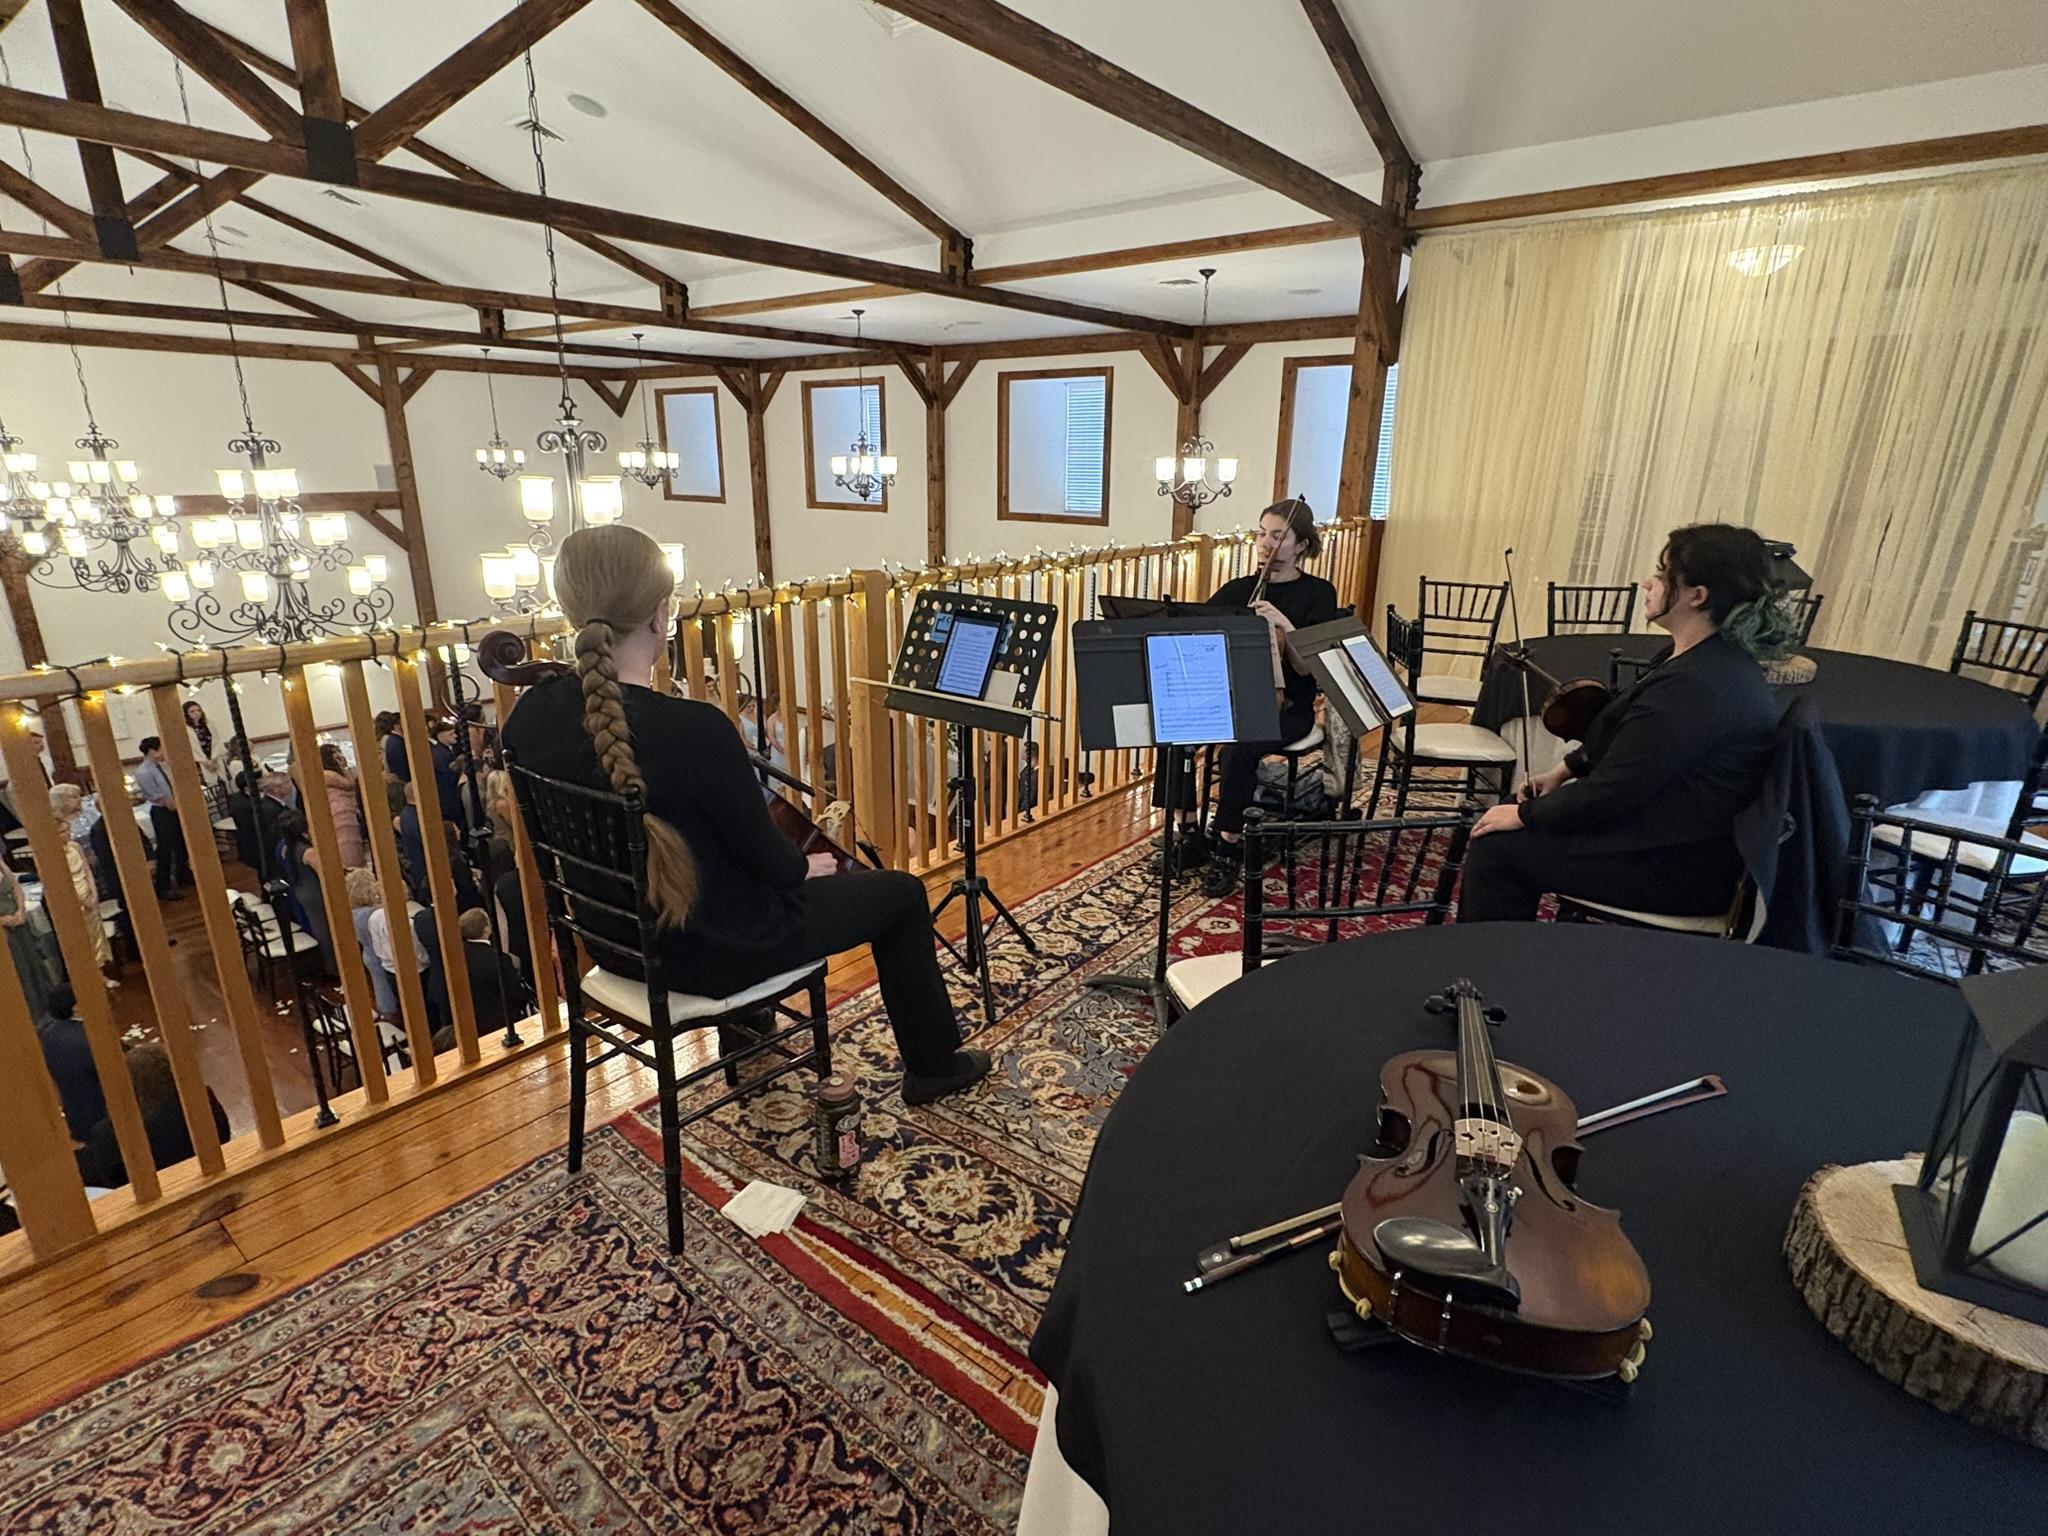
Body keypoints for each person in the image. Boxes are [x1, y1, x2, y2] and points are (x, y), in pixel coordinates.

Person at [501, 524, 988, 1105]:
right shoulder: (694, 730)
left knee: (720, 874)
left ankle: (749, 1038)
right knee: (901, 895)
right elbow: (768, 859)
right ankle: (933, 1067)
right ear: (661, 615)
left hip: (614, 944)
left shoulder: (528, 718)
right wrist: (801, 869)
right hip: (714, 954)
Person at [1458, 524, 1792, 923]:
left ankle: (1489, 962)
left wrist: (1527, 816)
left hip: (1676, 868)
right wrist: (1563, 772)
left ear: (1697, 595)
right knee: (1516, 815)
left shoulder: (1697, 687)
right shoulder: (1704, 660)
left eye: (1662, 574)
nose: (1648, 583)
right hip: (1664, 835)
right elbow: (1630, 740)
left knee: (1497, 849)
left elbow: (1613, 790)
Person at [1156, 498, 1344, 896]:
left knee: (1238, 749)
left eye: (1278, 536)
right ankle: (1189, 833)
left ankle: (1228, 846)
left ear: (1301, 545)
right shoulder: (1239, 590)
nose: (1265, 543)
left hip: (1287, 708)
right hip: (1229, 699)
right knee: (1172, 732)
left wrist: (1284, 624)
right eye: (1261, 533)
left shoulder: (1318, 593)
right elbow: (1194, 635)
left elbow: (1308, 669)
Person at [81, 1041, 231, 1190]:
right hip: (209, 1174)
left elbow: (112, 1178)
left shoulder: (110, 1132)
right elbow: (223, 1134)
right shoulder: (200, 1098)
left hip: (151, 1191)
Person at [48, 784, 112, 974]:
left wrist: (92, 892)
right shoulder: (55, 823)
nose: (80, 800)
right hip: (74, 890)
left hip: (94, 870)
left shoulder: (88, 815)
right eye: (74, 797)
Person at [36, 982, 104, 1148]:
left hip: (76, 1115)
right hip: (103, 1115)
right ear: (76, 1007)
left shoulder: (48, 1036)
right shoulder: (90, 1037)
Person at [132, 736, 189, 898]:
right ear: (152, 751)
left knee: (181, 844)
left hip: (174, 808)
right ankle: (163, 886)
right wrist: (175, 806)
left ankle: (183, 874)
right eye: (162, 748)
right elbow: (159, 797)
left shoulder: (162, 765)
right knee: (165, 849)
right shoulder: (143, 772)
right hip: (162, 812)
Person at [0, 860, 55, 1023]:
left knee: (32, 963)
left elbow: (15, 886)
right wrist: (2, 921)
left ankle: (47, 1010)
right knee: (18, 971)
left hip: (19, 923)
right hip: (4, 931)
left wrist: (21, 910)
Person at [318, 743, 366, 867]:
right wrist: (344, 767)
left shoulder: (341, 772)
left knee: (354, 843)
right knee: (346, 843)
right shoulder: (326, 774)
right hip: (339, 812)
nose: (340, 755)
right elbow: (348, 784)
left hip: (349, 810)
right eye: (336, 753)